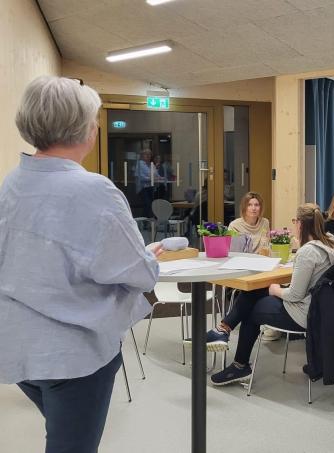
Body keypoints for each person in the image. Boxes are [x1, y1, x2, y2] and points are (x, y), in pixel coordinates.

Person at [1, 76, 161, 453]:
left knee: (61, 435)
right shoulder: (94, 191)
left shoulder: (12, 183)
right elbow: (141, 273)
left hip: (19, 348)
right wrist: (146, 256)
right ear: (84, 129)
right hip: (73, 355)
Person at [207, 204, 334, 384]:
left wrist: (276, 289)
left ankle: (238, 363)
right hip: (327, 311)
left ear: (300, 224)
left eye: (295, 222)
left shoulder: (307, 252)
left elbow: (295, 295)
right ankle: (223, 329)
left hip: (306, 313)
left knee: (252, 307)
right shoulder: (333, 242)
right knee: (256, 292)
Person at [136, 148, 155, 217]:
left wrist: (161, 177)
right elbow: (141, 177)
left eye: (149, 154)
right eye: (146, 154)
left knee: (151, 205)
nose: (148, 156)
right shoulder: (140, 164)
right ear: (142, 156)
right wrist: (151, 178)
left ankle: (149, 220)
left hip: (150, 187)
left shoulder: (151, 164)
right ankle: (144, 222)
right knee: (147, 204)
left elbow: (156, 174)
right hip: (143, 188)